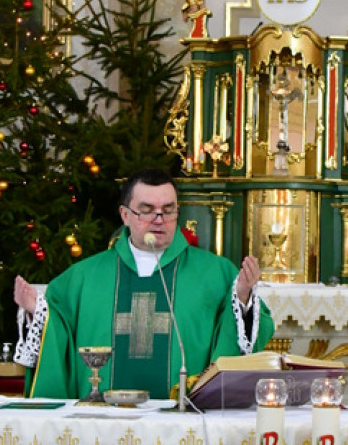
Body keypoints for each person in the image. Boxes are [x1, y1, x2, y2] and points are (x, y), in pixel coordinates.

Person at [14, 169, 274, 399]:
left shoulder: (216, 273)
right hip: (101, 423)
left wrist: (242, 298)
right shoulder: (83, 277)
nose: (159, 219)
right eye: (147, 210)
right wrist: (38, 313)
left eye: (168, 210)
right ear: (125, 215)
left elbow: (238, 348)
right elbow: (58, 331)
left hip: (186, 421)